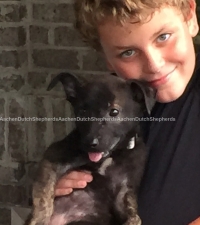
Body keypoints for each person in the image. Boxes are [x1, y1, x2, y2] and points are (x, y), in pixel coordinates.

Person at [55, 0, 200, 224]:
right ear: (107, 59)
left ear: (190, 16)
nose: (154, 64)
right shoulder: (113, 104)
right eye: (128, 52)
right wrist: (64, 196)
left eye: (163, 37)